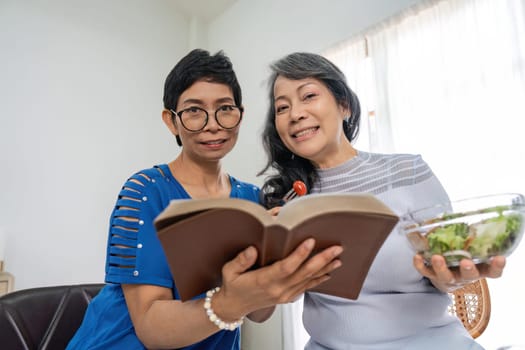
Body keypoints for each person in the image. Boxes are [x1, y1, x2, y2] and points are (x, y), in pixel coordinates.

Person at [67, 49, 344, 350]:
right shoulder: (144, 190)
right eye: (194, 111)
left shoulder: (252, 199)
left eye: (225, 108)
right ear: (171, 121)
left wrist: (276, 268)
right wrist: (228, 302)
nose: (212, 124)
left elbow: (260, 313)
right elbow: (150, 327)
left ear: (240, 115)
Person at [258, 52, 507, 350]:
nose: (295, 114)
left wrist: (451, 278)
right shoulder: (289, 201)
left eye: (308, 95)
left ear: (344, 105)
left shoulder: (408, 171)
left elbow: (445, 270)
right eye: (282, 107)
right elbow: (260, 312)